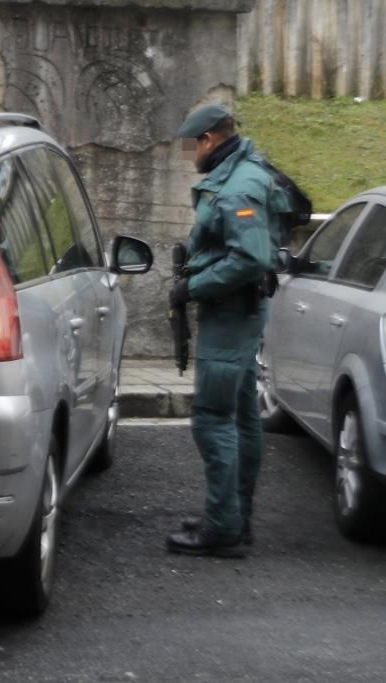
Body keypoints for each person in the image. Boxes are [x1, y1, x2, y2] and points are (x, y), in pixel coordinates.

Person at [165, 103, 283, 558]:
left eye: (194, 145)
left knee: (213, 419)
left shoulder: (238, 187)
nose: (192, 154)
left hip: (231, 316)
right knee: (241, 417)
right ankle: (233, 516)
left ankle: (222, 528)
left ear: (210, 140)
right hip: (240, 314)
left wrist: (192, 287)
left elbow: (248, 258)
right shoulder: (246, 170)